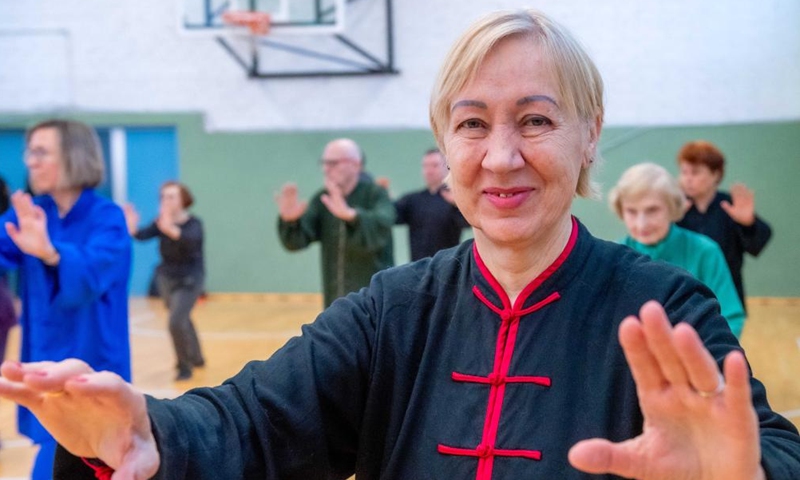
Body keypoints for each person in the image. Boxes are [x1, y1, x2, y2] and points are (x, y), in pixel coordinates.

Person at [1, 10, 800, 480]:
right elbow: (253, 421)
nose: (500, 156)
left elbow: (766, 448)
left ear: (588, 138)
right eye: (472, 123)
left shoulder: (661, 304)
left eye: (535, 120)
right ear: (443, 144)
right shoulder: (394, 311)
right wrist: (141, 432)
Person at [0, 119, 131, 479]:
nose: (30, 161)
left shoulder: (108, 219)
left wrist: (51, 253)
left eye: (41, 152)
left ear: (73, 156)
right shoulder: (32, 212)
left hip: (91, 365)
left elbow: (89, 277)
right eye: (29, 152)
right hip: (43, 363)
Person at [609, 163, 746, 337]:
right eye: (631, 211)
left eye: (652, 210)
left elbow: (730, 317)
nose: (641, 224)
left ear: (672, 207)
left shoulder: (705, 251)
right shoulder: (613, 257)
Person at [276, 138, 395, 307]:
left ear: (356, 164)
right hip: (335, 301)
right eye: (324, 163)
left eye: (333, 163)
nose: (326, 169)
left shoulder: (375, 194)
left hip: (375, 302)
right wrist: (291, 222)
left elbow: (382, 225)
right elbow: (298, 241)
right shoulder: (323, 199)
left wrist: (352, 216)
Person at [124, 181, 206, 381]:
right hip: (167, 279)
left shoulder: (194, 224)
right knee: (182, 318)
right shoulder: (161, 222)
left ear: (183, 200)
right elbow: (142, 235)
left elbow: (189, 241)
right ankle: (197, 357)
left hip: (190, 280)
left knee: (176, 321)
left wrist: (168, 227)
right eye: (163, 197)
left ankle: (183, 366)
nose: (166, 201)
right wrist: (131, 225)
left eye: (171, 196)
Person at [676, 140, 772, 309]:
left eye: (695, 172)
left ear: (715, 175)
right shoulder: (676, 208)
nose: (688, 179)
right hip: (686, 295)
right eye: (684, 172)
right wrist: (671, 218)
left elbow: (756, 246)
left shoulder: (730, 206)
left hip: (725, 295)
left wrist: (748, 224)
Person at [393, 148, 470, 261]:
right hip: (418, 267)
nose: (429, 171)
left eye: (434, 165)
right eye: (425, 166)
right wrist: (383, 197)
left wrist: (457, 205)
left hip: (447, 266)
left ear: (446, 168)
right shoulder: (413, 200)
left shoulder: (455, 199)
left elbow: (467, 224)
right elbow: (391, 216)